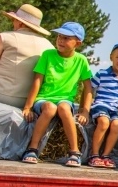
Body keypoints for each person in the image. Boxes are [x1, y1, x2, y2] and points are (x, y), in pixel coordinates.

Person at [20, 22, 93, 167]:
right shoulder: (48, 55)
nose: (60, 40)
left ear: (77, 43)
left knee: (64, 108)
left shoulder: (81, 60)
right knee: (50, 108)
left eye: (66, 38)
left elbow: (88, 88)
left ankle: (74, 151)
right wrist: (28, 107)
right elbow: (37, 81)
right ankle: (32, 149)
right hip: (44, 99)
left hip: (65, 100)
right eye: (59, 36)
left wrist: (85, 111)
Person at [0, 4, 54, 108]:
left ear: (20, 23)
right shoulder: (50, 46)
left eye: (14, 20)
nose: (13, 23)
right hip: (29, 101)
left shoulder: (5, 37)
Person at [87, 43, 118, 168]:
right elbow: (89, 90)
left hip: (117, 107)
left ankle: (106, 155)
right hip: (101, 104)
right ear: (111, 57)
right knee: (103, 122)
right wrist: (85, 108)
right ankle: (94, 155)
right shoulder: (102, 74)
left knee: (117, 125)